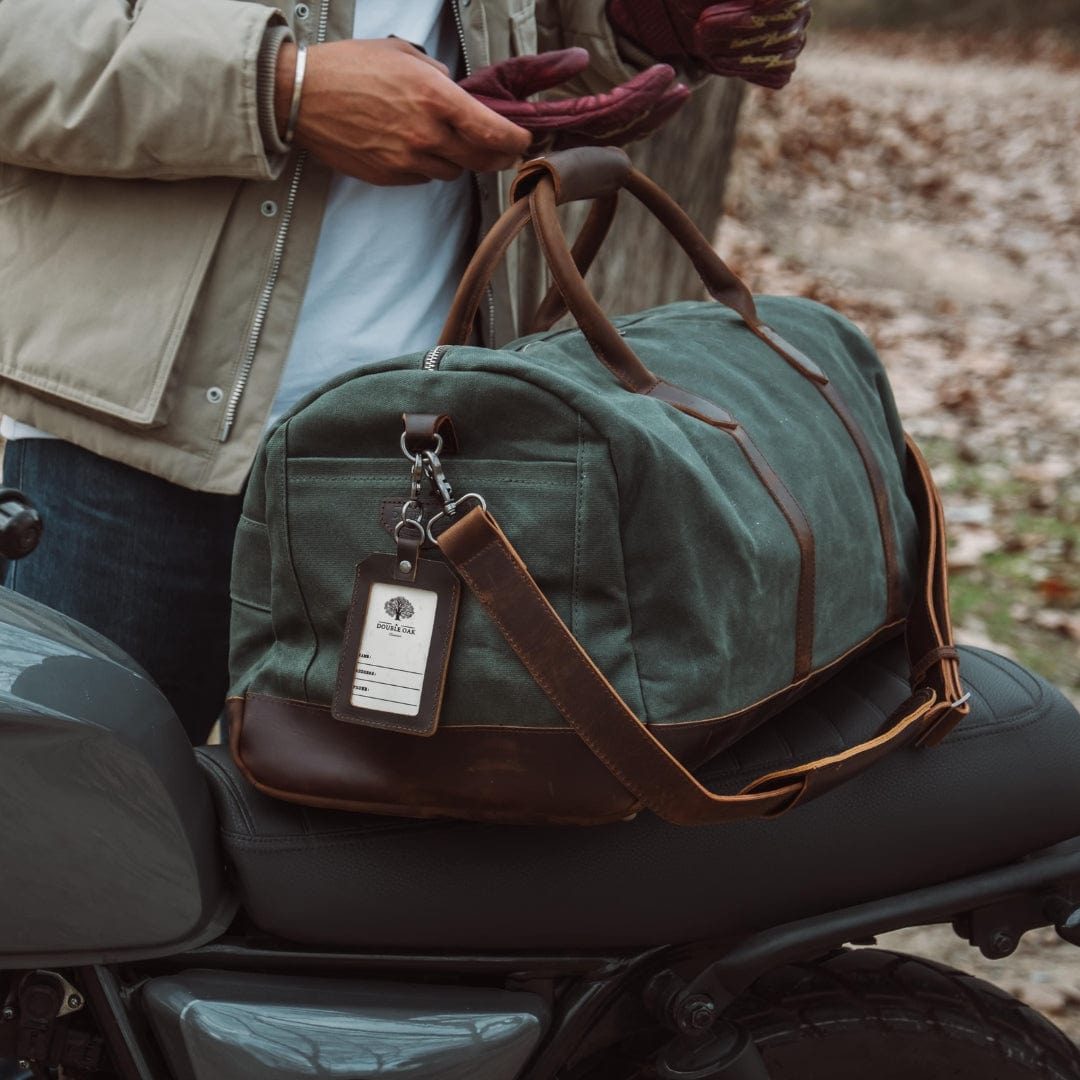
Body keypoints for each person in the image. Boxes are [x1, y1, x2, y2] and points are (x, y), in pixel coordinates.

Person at [0, 0, 810, 743]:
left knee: (352, 868)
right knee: (68, 855)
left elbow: (520, 50)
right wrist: (283, 88)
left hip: (415, 446)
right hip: (117, 445)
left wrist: (641, 35)